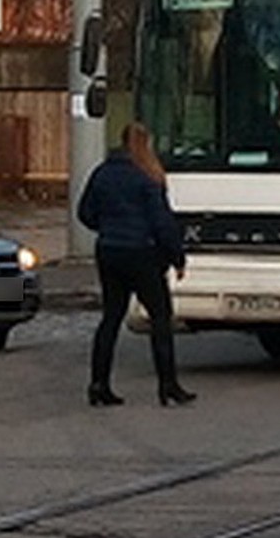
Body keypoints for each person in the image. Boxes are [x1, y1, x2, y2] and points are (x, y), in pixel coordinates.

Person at [78, 122, 197, 408]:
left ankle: (98, 384)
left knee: (111, 318)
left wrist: (107, 228)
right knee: (160, 318)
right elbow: (162, 224)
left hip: (108, 250)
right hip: (142, 253)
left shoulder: (102, 173)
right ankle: (168, 385)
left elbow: (85, 213)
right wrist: (177, 257)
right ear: (146, 145)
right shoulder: (148, 177)